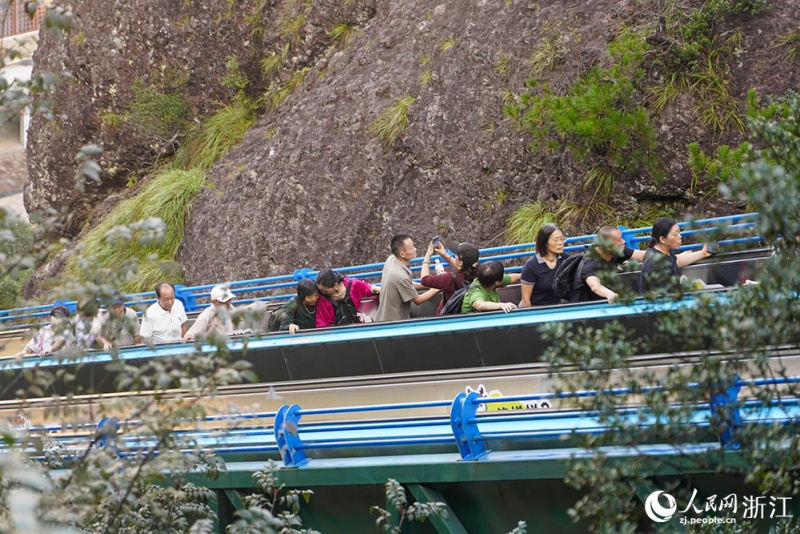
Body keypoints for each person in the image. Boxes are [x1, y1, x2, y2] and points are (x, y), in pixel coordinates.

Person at [374, 234, 440, 322]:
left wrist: (424, 286)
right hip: (394, 323)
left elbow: (406, 284)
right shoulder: (400, 276)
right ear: (402, 254)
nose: (415, 249)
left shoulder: (391, 260)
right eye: (411, 248)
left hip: (381, 319)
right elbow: (418, 300)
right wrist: (437, 288)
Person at [639, 217, 712, 293]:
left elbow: (676, 260)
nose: (680, 236)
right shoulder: (656, 264)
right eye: (675, 234)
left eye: (679, 232)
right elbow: (662, 296)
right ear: (662, 239)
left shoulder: (663, 252)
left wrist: (703, 253)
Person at [576, 225, 645, 304]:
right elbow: (595, 286)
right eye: (619, 240)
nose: (623, 242)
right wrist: (610, 294)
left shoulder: (617, 250)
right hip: (588, 305)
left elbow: (642, 256)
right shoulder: (590, 263)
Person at [420, 241, 480, 315]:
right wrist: (444, 255)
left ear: (461, 262)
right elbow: (463, 267)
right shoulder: (480, 274)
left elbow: (424, 280)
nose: (454, 256)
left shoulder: (450, 278)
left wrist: (427, 256)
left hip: (448, 317)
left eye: (456, 255)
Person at [519, 223, 570, 307]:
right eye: (556, 240)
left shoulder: (566, 259)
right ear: (545, 242)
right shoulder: (531, 266)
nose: (560, 243)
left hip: (557, 306)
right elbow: (525, 299)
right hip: (538, 308)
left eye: (562, 239)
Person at [315, 269, 380, 327]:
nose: (322, 292)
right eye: (321, 290)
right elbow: (321, 322)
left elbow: (366, 288)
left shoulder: (352, 285)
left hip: (357, 325)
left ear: (335, 285)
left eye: (325, 291)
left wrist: (378, 289)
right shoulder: (323, 299)